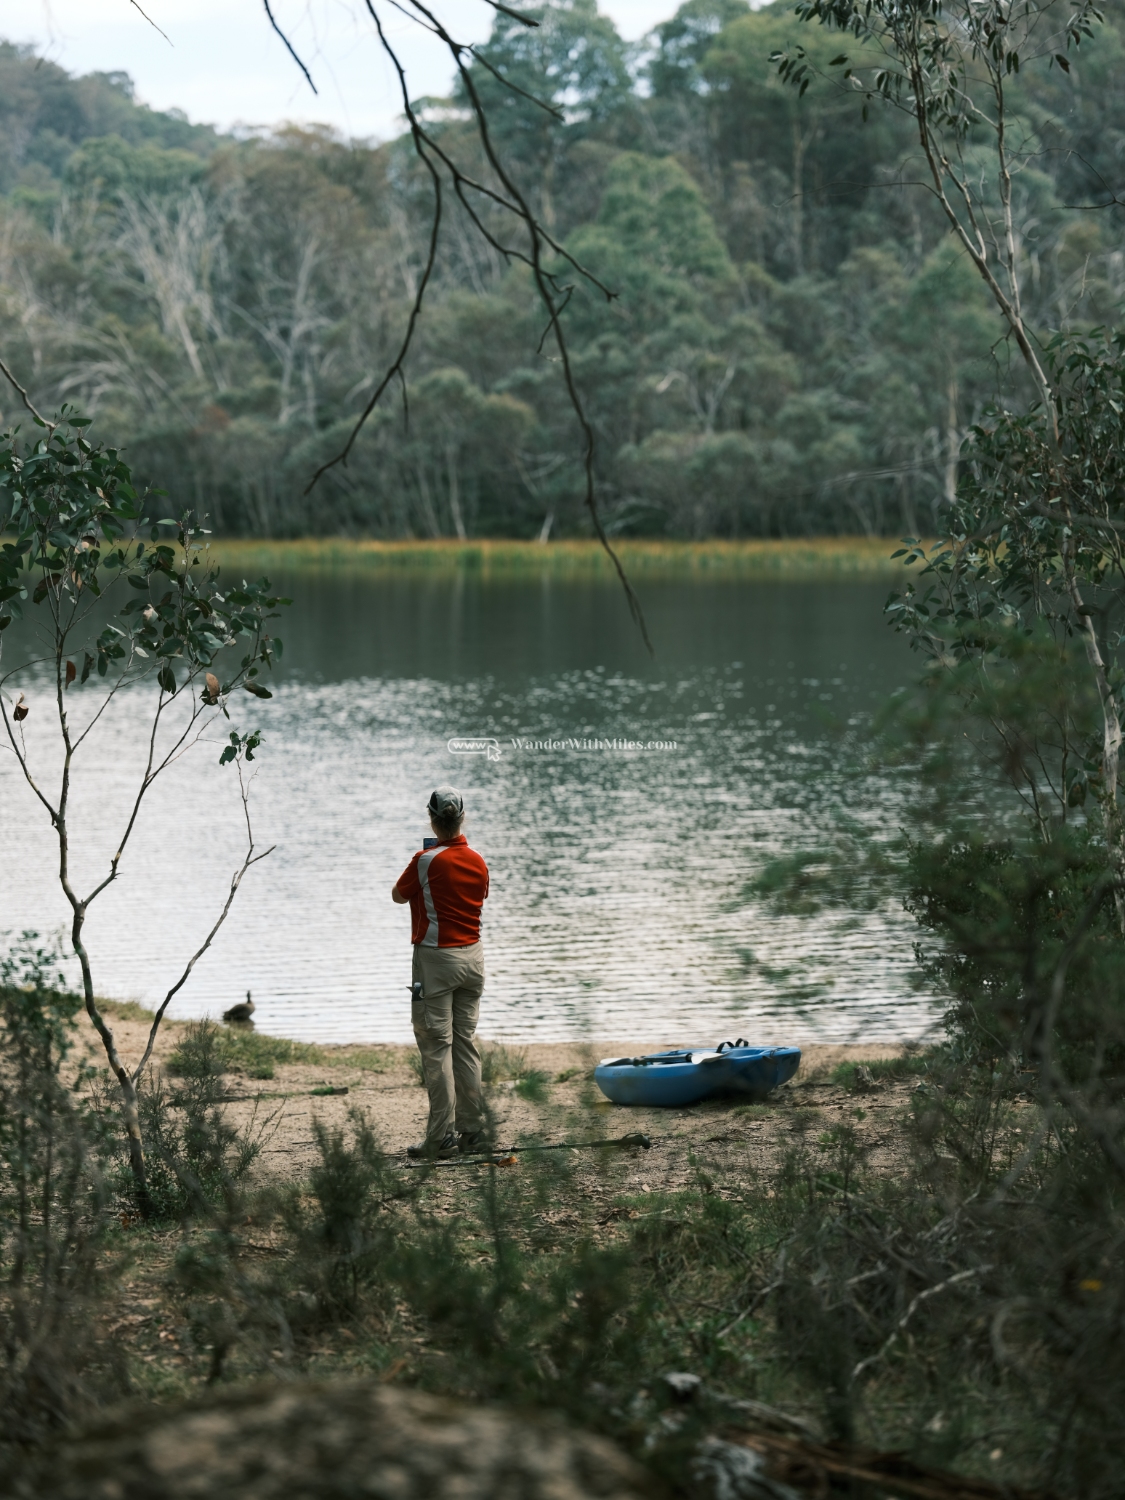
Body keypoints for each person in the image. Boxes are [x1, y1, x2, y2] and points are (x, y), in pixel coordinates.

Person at [391, 786, 489, 1157]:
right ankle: (473, 1131)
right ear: (462, 818)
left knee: (436, 1046)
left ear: (432, 819)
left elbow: (399, 896)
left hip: (435, 960)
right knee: (465, 1044)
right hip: (474, 959)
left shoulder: (425, 859)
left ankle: (440, 1138)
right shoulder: (479, 860)